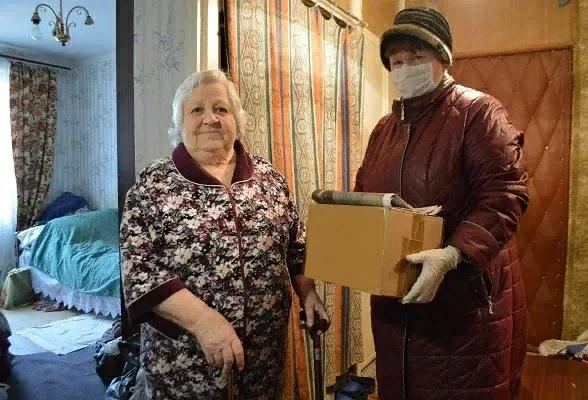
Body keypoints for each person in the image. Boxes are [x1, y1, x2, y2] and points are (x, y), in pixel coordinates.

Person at [120, 69, 328, 399]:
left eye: (221, 109)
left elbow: (296, 246)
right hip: (184, 365)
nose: (210, 119)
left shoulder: (269, 179)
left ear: (237, 120)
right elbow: (139, 272)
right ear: (180, 123)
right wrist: (204, 322)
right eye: (196, 110)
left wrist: (308, 293)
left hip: (263, 358)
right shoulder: (153, 184)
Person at [354, 7, 529, 400]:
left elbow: (506, 194)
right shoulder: (385, 129)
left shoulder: (478, 113)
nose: (405, 69)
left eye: (417, 57)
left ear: (443, 59)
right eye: (396, 61)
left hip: (463, 304)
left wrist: (453, 255)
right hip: (395, 302)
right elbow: (364, 192)